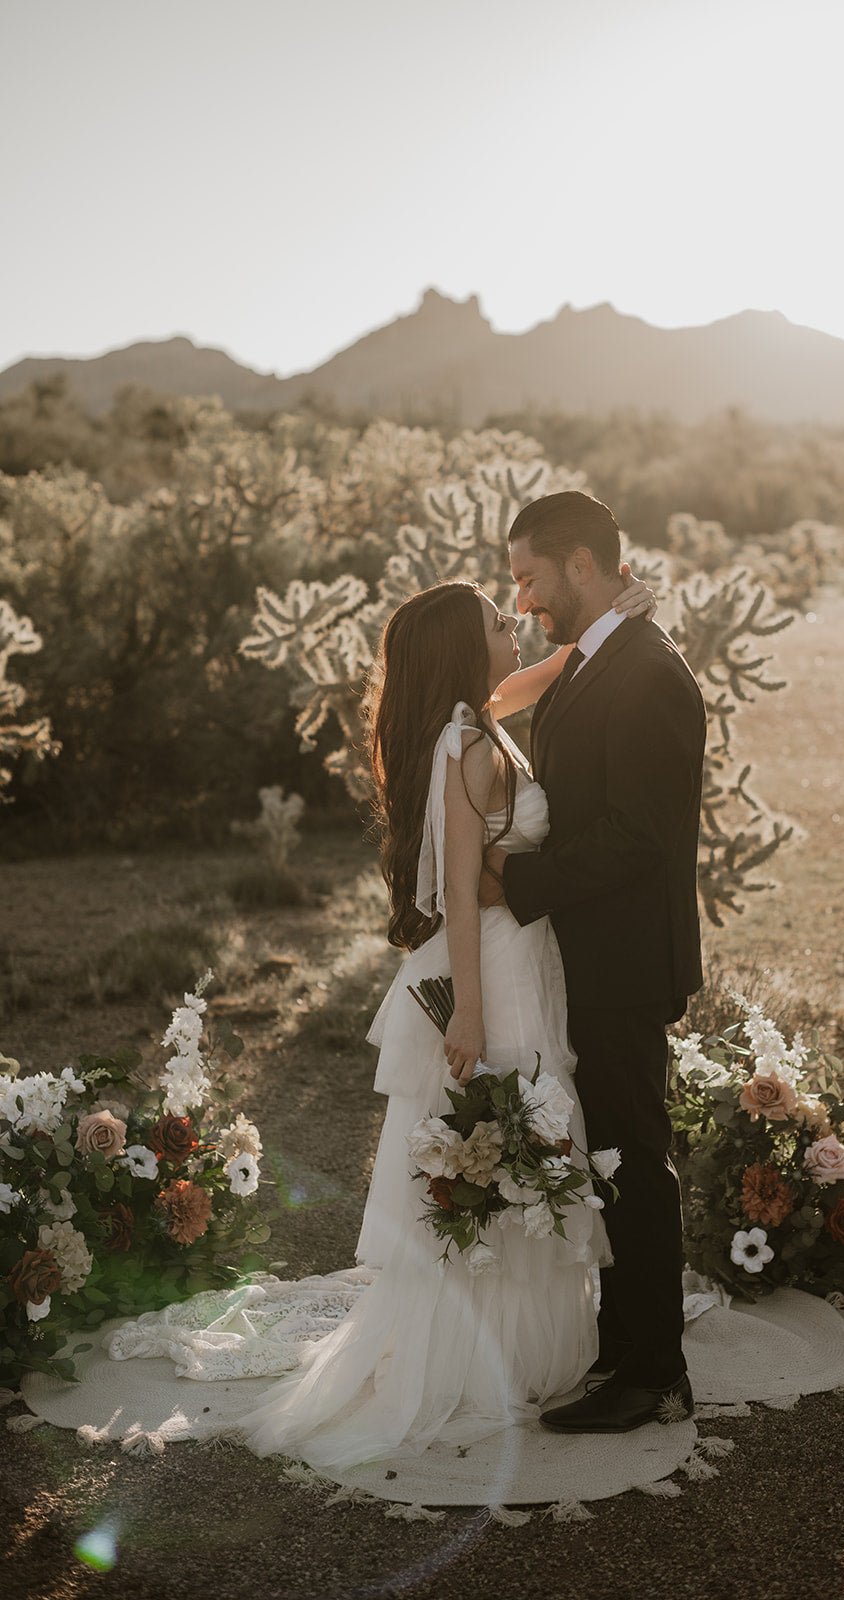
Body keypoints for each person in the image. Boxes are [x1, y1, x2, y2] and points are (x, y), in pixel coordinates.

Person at [102, 563, 660, 1472]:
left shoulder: (472, 723)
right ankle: (490, 1359)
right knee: (509, 1144)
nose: (511, 617)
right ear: (461, 648)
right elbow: (460, 909)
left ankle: (522, 1346)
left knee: (526, 1147)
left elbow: (541, 675)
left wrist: (612, 626)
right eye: (493, 615)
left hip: (523, 959)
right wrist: (470, 1020)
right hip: (494, 971)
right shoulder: (468, 748)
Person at [479, 490, 707, 1433]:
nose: (522, 600)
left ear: (581, 565)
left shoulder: (648, 673)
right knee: (607, 1154)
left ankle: (651, 1374)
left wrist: (515, 881)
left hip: (620, 958)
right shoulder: (598, 656)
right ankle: (624, 1349)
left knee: (632, 1159)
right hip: (586, 952)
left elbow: (637, 837)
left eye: (529, 577)